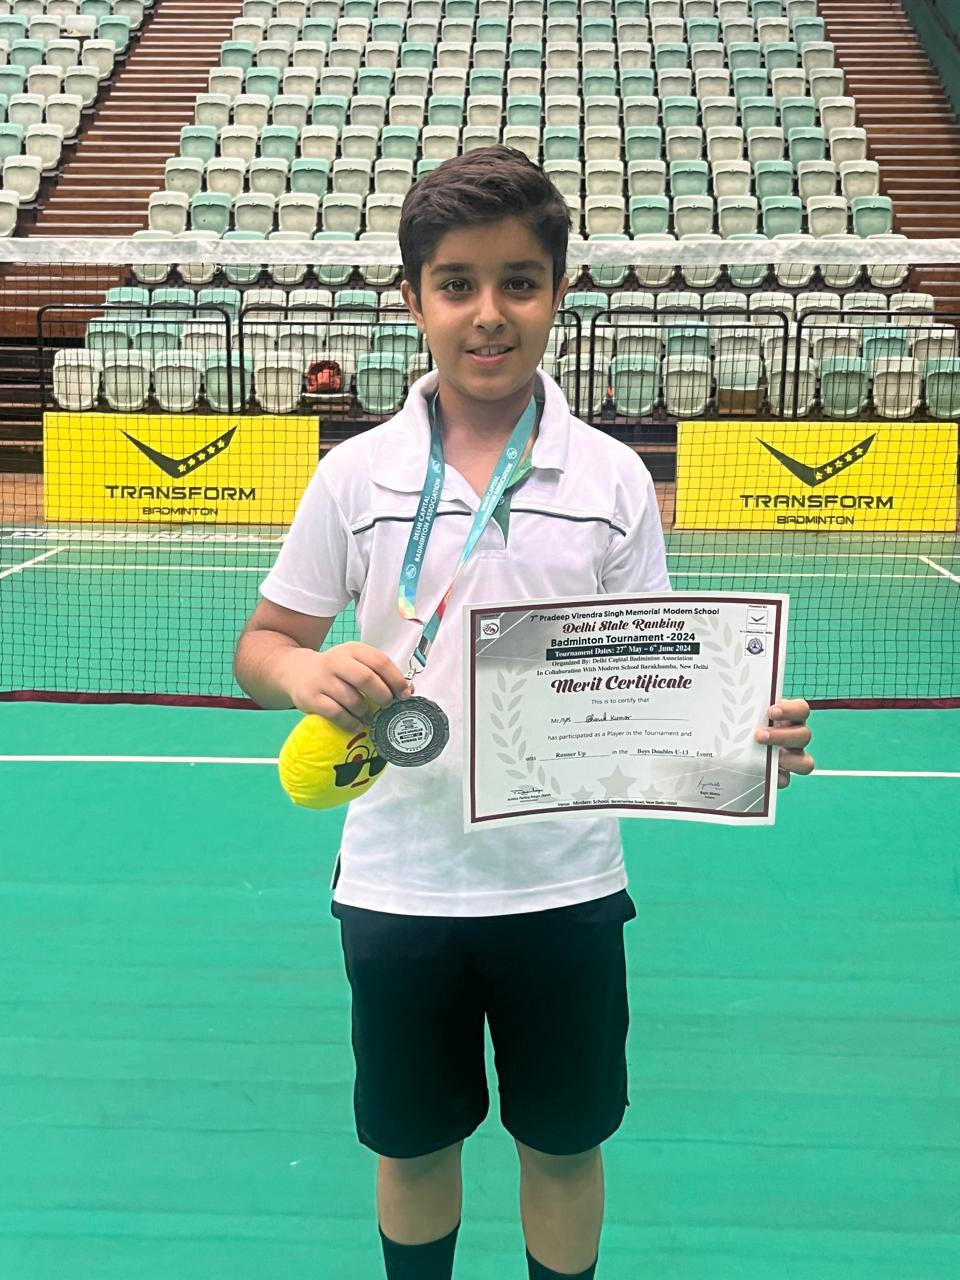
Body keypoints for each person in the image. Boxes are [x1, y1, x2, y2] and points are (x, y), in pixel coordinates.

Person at [233, 146, 815, 1280]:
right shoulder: (355, 475)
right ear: (413, 300)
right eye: (456, 283)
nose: (487, 313)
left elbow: (656, 676)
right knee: (413, 1144)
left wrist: (743, 736)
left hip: (565, 887)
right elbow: (262, 644)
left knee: (561, 1145)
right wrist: (303, 677)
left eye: (518, 281)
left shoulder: (611, 480)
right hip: (398, 883)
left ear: (556, 293)